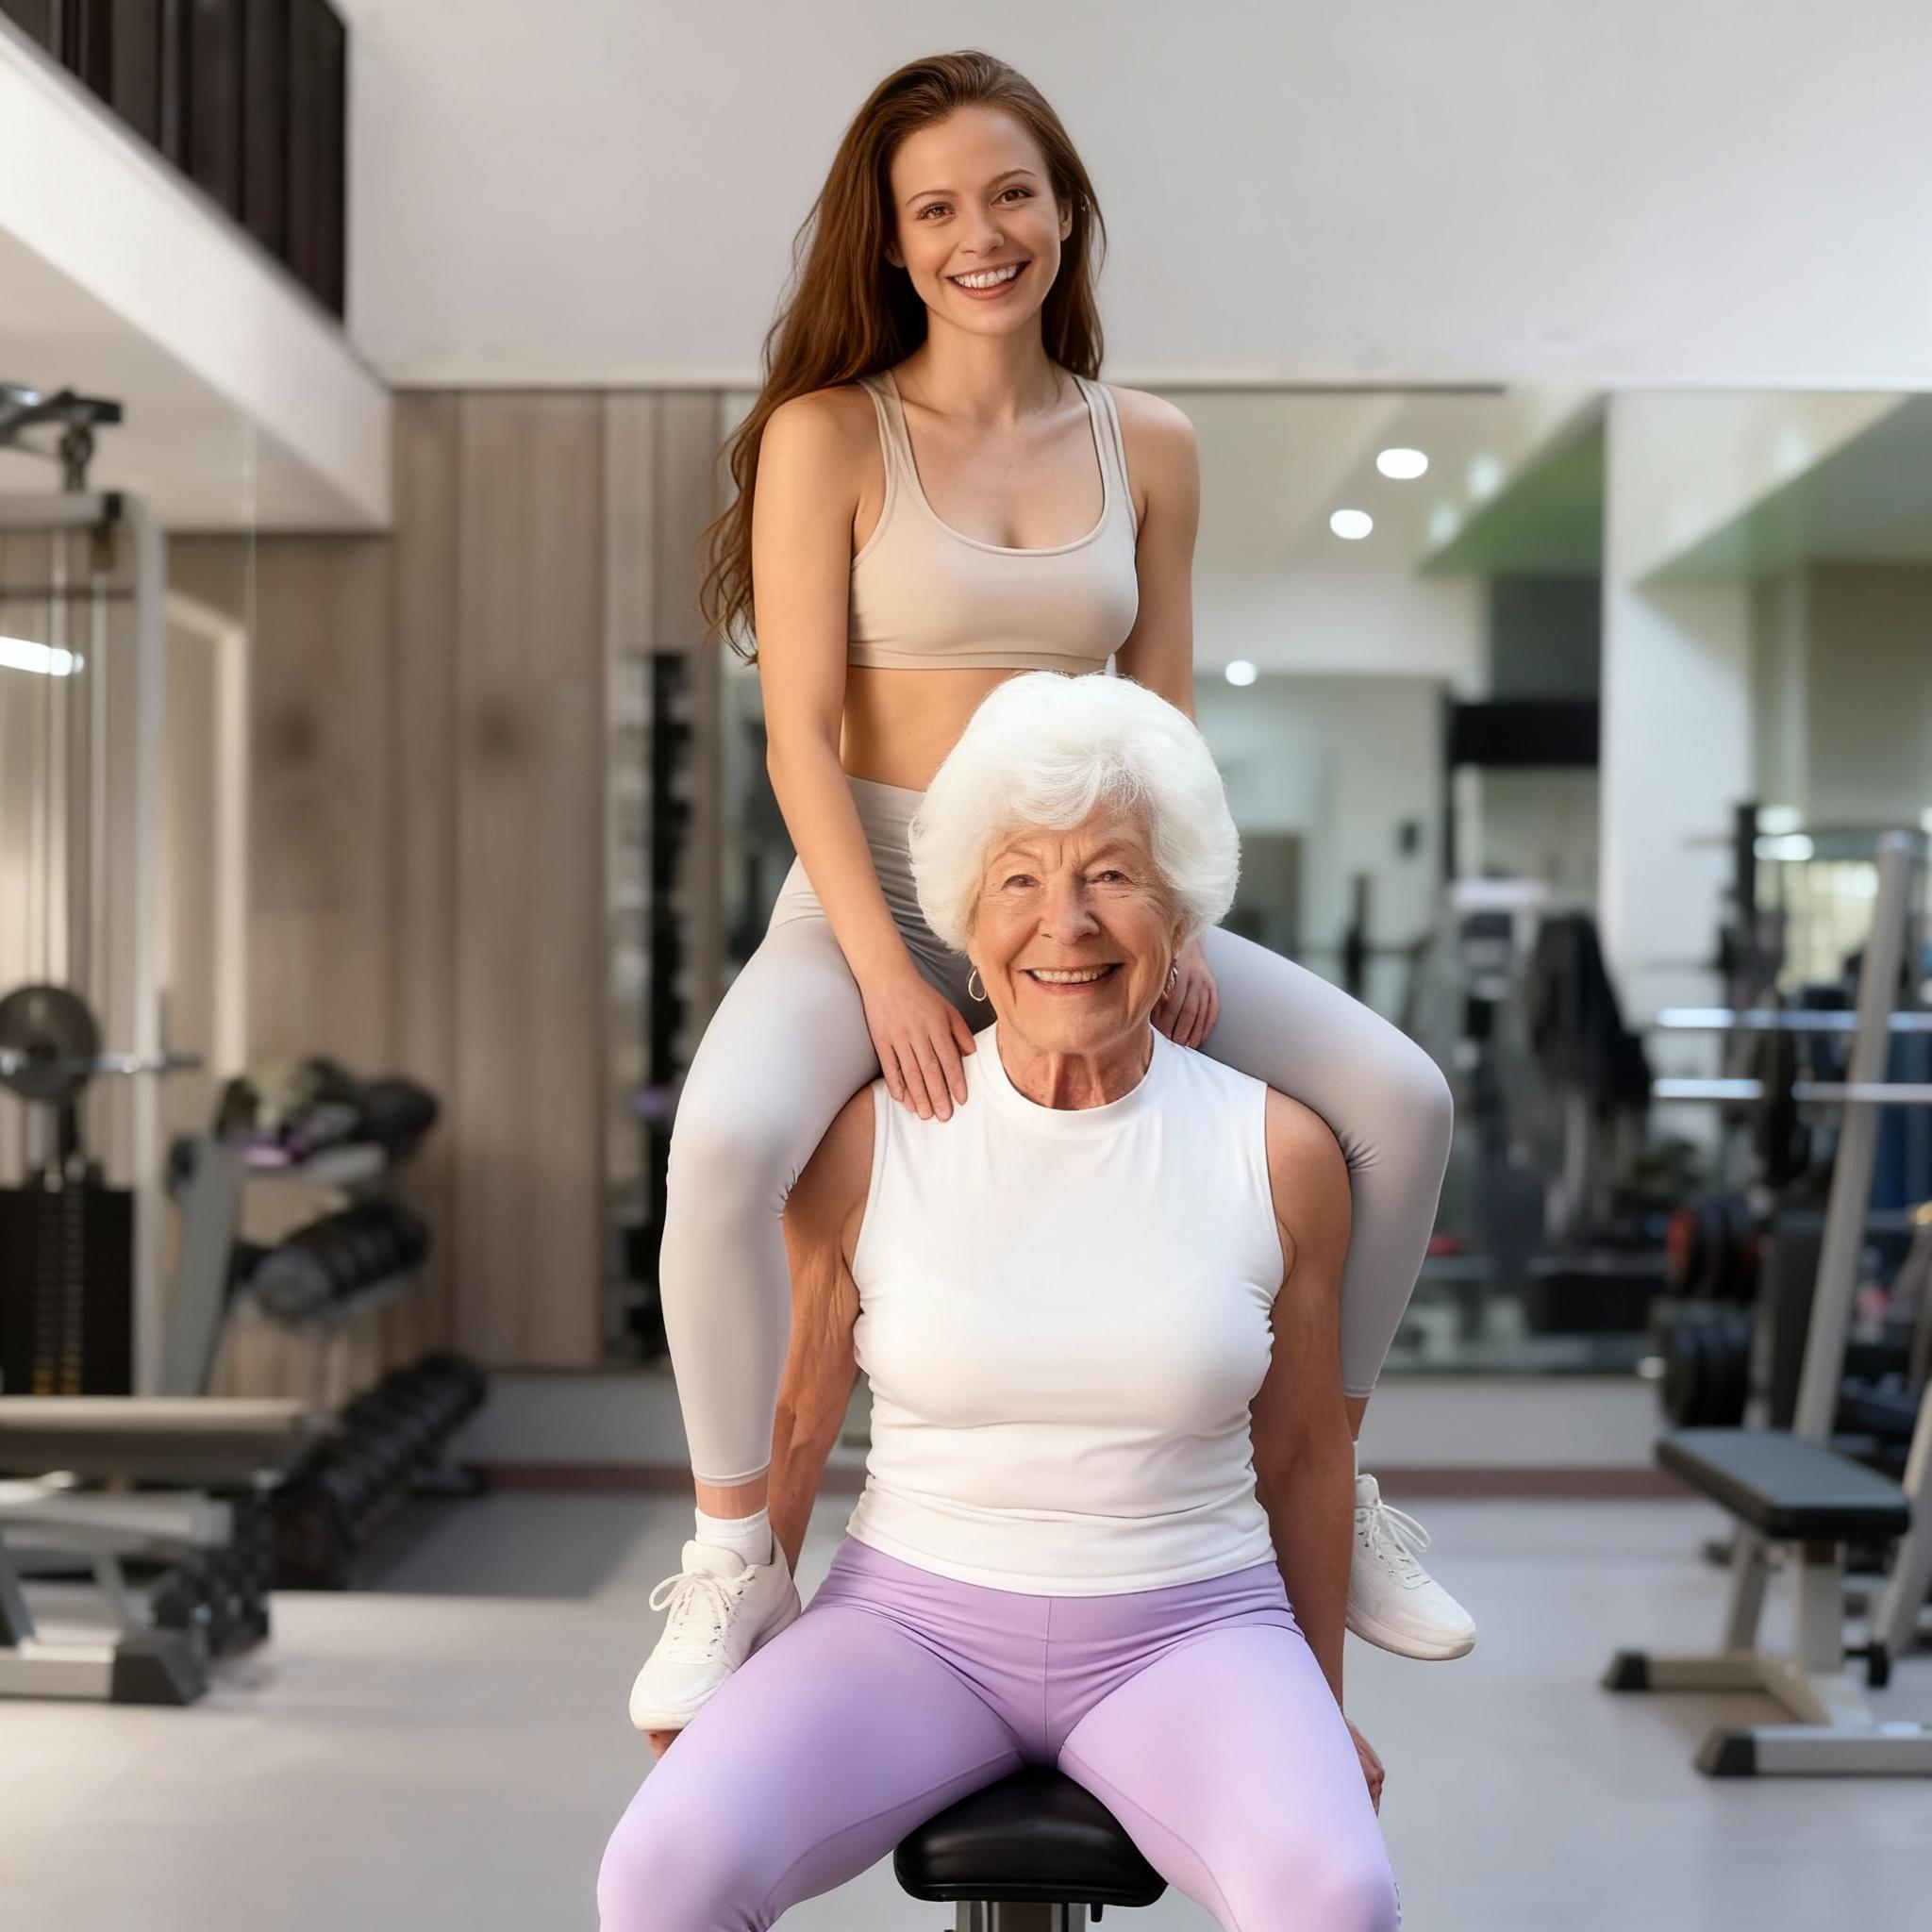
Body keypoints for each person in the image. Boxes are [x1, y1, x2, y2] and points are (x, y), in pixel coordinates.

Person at [630, 47, 1469, 1740]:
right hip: (870, 888)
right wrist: (879, 972)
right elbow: (795, 739)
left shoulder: (1147, 442)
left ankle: (1346, 1473)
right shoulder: (827, 434)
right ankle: (733, 1557)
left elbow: (1160, 734)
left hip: (1089, 902)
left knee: (1401, 1094)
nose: (978, 234)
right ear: (890, 244)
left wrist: (1181, 926)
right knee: (722, 1149)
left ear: (1068, 213)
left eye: (1011, 194)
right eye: (933, 208)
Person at [599, 672, 1399, 1931]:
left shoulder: (1280, 1150)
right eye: (1020, 878)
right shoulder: (869, 1140)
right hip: (911, 1623)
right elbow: (800, 1414)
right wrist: (735, 1644)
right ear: (966, 917)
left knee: (1338, 1897)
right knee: (661, 1875)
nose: (1065, 925)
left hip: (1192, 1632)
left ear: (1180, 911)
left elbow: (1304, 1453)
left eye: (1114, 876)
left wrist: (1322, 1702)